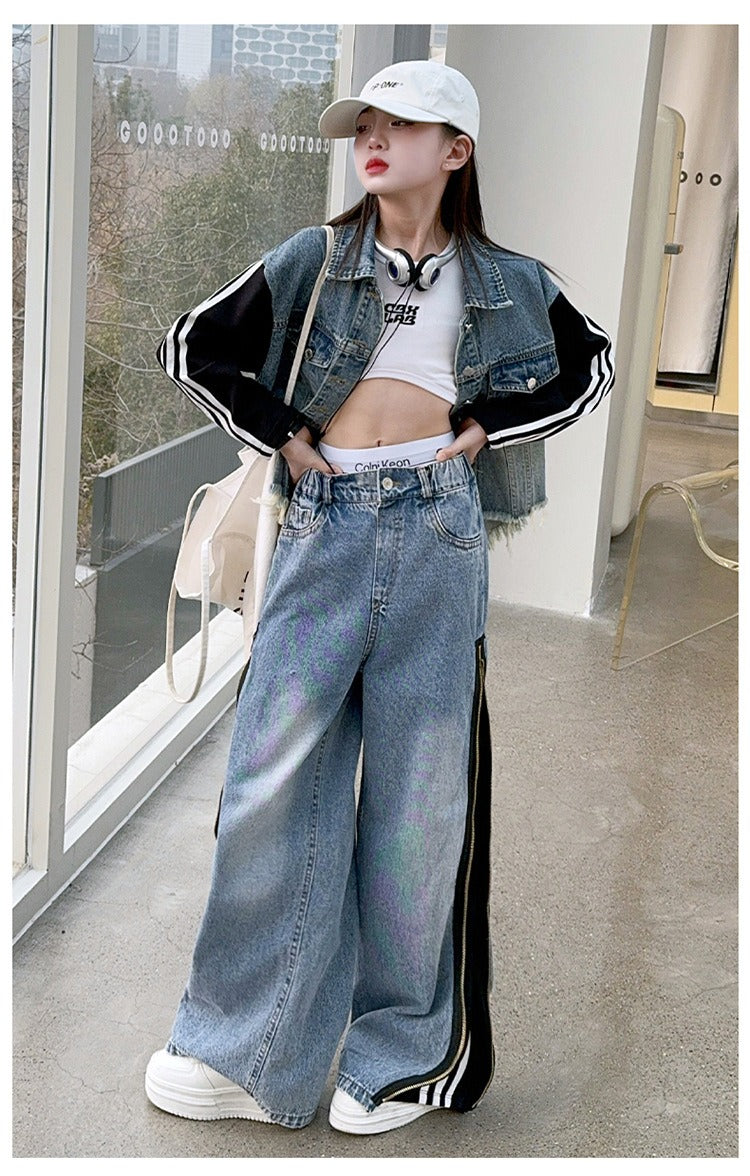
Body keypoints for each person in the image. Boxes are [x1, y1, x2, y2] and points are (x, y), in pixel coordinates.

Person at [145, 59, 614, 1136]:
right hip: (327, 527)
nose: (373, 138)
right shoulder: (314, 256)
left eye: (400, 125)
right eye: (365, 123)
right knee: (271, 784)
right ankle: (244, 1048)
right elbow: (194, 346)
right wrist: (284, 436)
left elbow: (588, 366)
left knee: (419, 803)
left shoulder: (507, 277)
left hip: (441, 534)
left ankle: (398, 1054)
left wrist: (487, 428)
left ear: (456, 151)